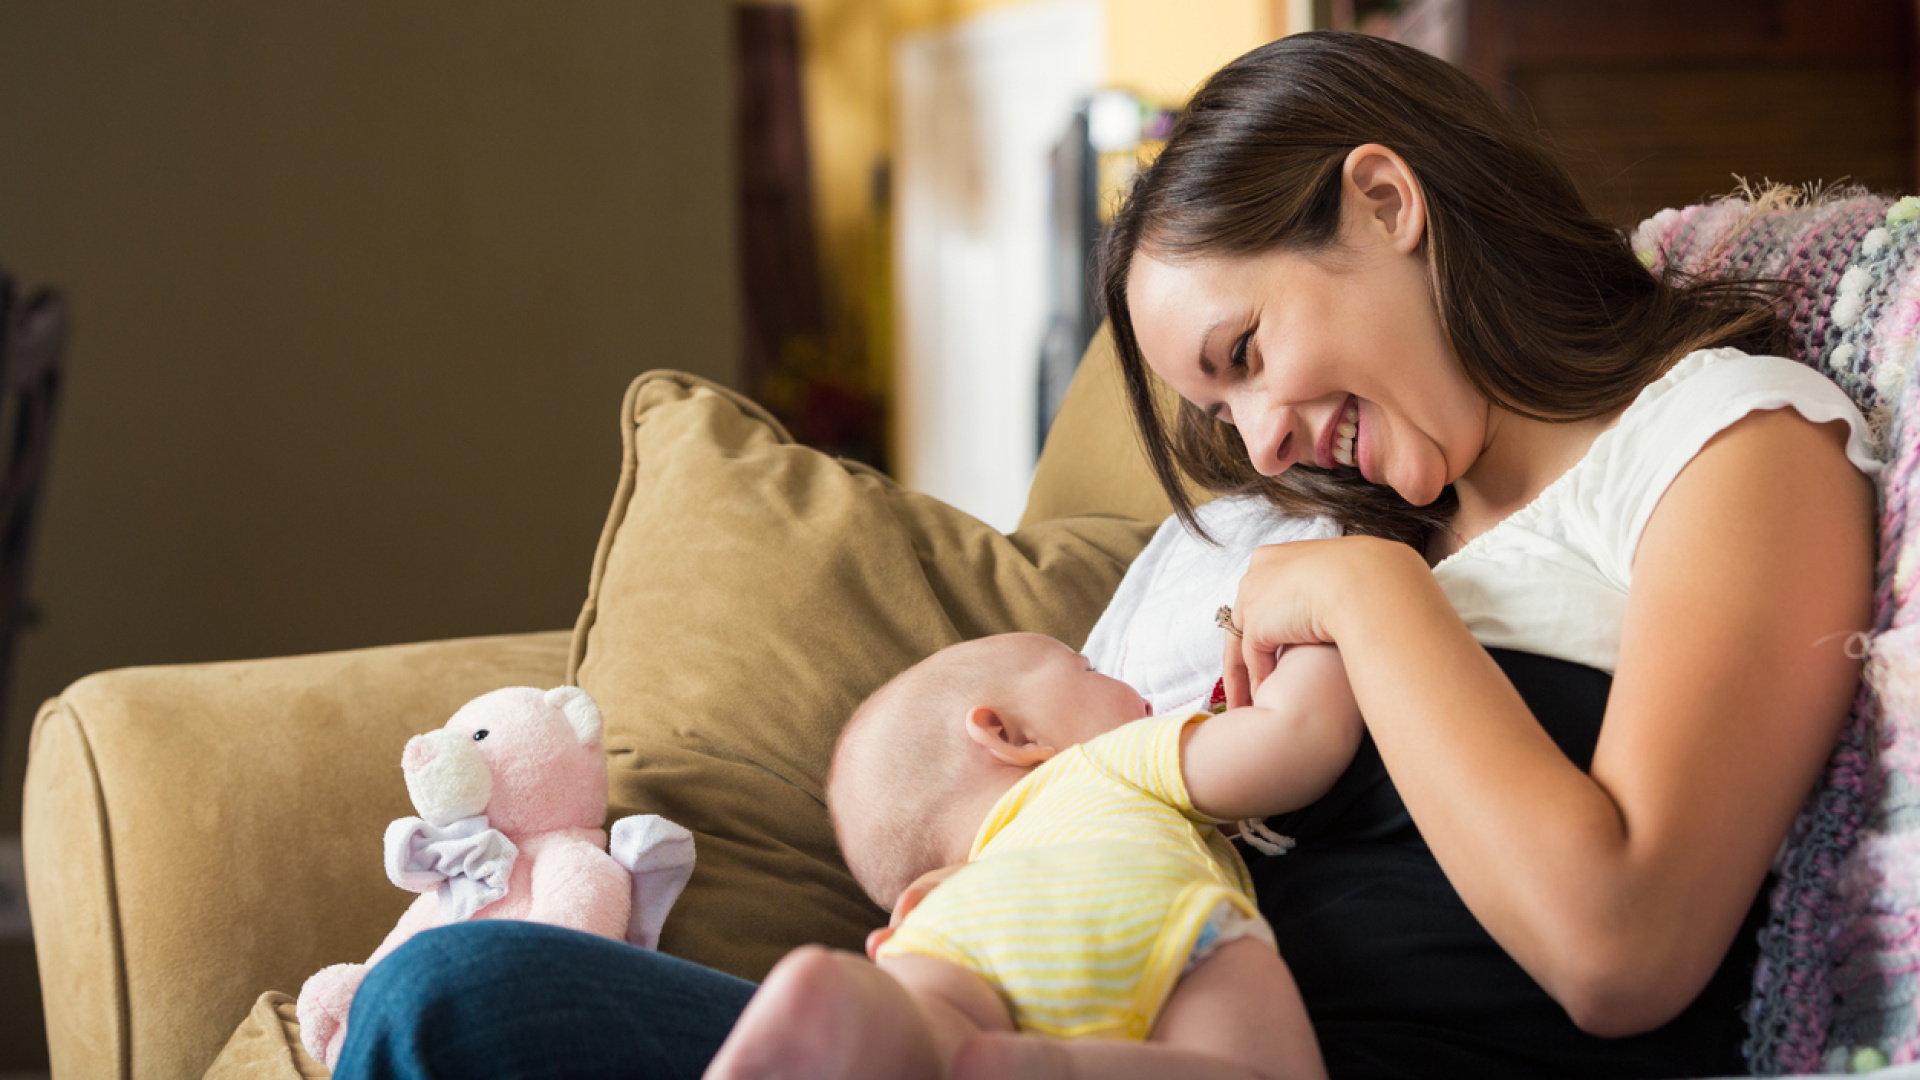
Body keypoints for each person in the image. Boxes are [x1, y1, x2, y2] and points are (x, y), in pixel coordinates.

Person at [335, 31, 1880, 1079]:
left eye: (1247, 350)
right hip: (1085, 1020)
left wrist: (1367, 592)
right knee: (451, 999)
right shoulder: (1401, 520)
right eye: (1226, 405)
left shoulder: (1730, 450)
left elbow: (1625, 951)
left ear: (1388, 200)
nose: (1267, 446)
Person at [705, 631, 1359, 1079]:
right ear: (1010, 735)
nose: (1130, 687)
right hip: (1129, 905)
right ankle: (1053, 1070)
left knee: (932, 1037)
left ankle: (873, 1015)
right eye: (1092, 670)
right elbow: (1294, 739)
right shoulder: (1105, 760)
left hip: (946, 938)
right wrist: (1315, 641)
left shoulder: (949, 888)